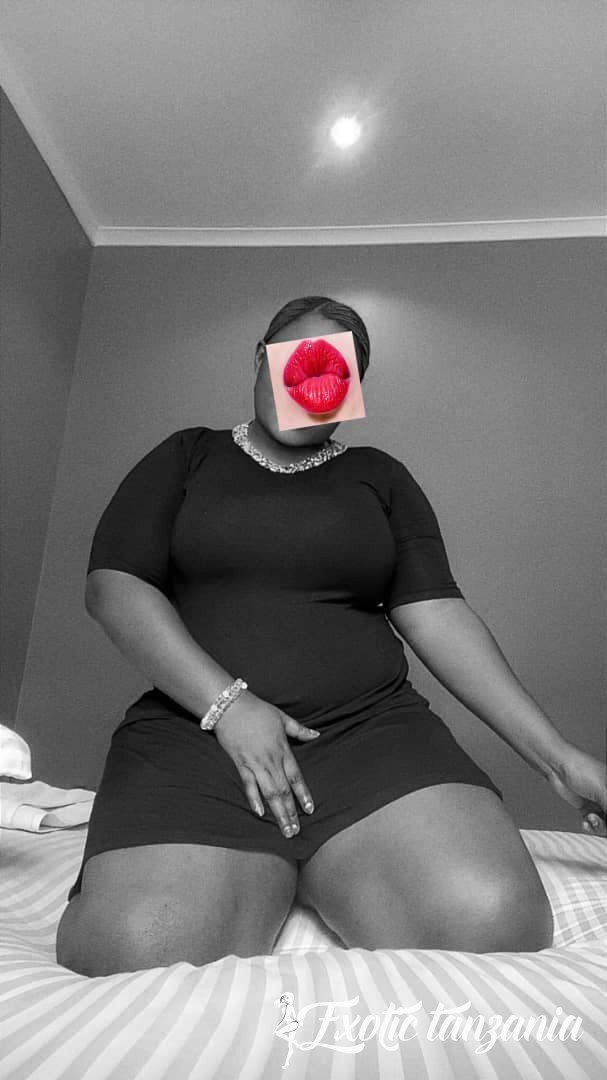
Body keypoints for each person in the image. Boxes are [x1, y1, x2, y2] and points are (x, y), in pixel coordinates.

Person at [56, 295, 607, 978]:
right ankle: (263, 862)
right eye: (298, 359)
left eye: (339, 370)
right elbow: (114, 587)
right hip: (197, 738)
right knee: (134, 956)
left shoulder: (380, 476)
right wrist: (229, 706)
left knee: (495, 922)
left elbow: (436, 613)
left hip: (369, 736)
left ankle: (330, 861)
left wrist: (558, 761)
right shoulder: (186, 456)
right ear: (261, 359)